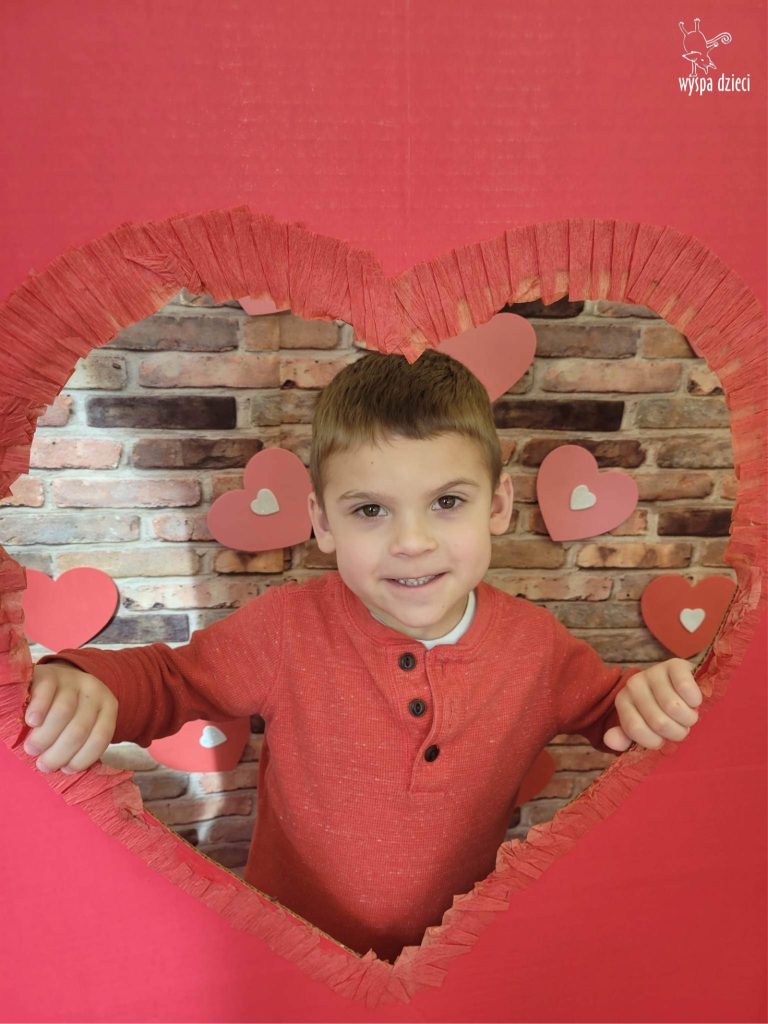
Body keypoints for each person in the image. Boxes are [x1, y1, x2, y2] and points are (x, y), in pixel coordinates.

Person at [25, 348, 703, 962]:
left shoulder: (536, 647)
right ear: (323, 522)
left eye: (446, 502)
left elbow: (613, 712)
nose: (411, 542)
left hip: (450, 966)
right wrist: (90, 683)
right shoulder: (287, 628)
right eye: (370, 511)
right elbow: (170, 680)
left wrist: (644, 701)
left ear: (497, 506)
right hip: (289, 957)